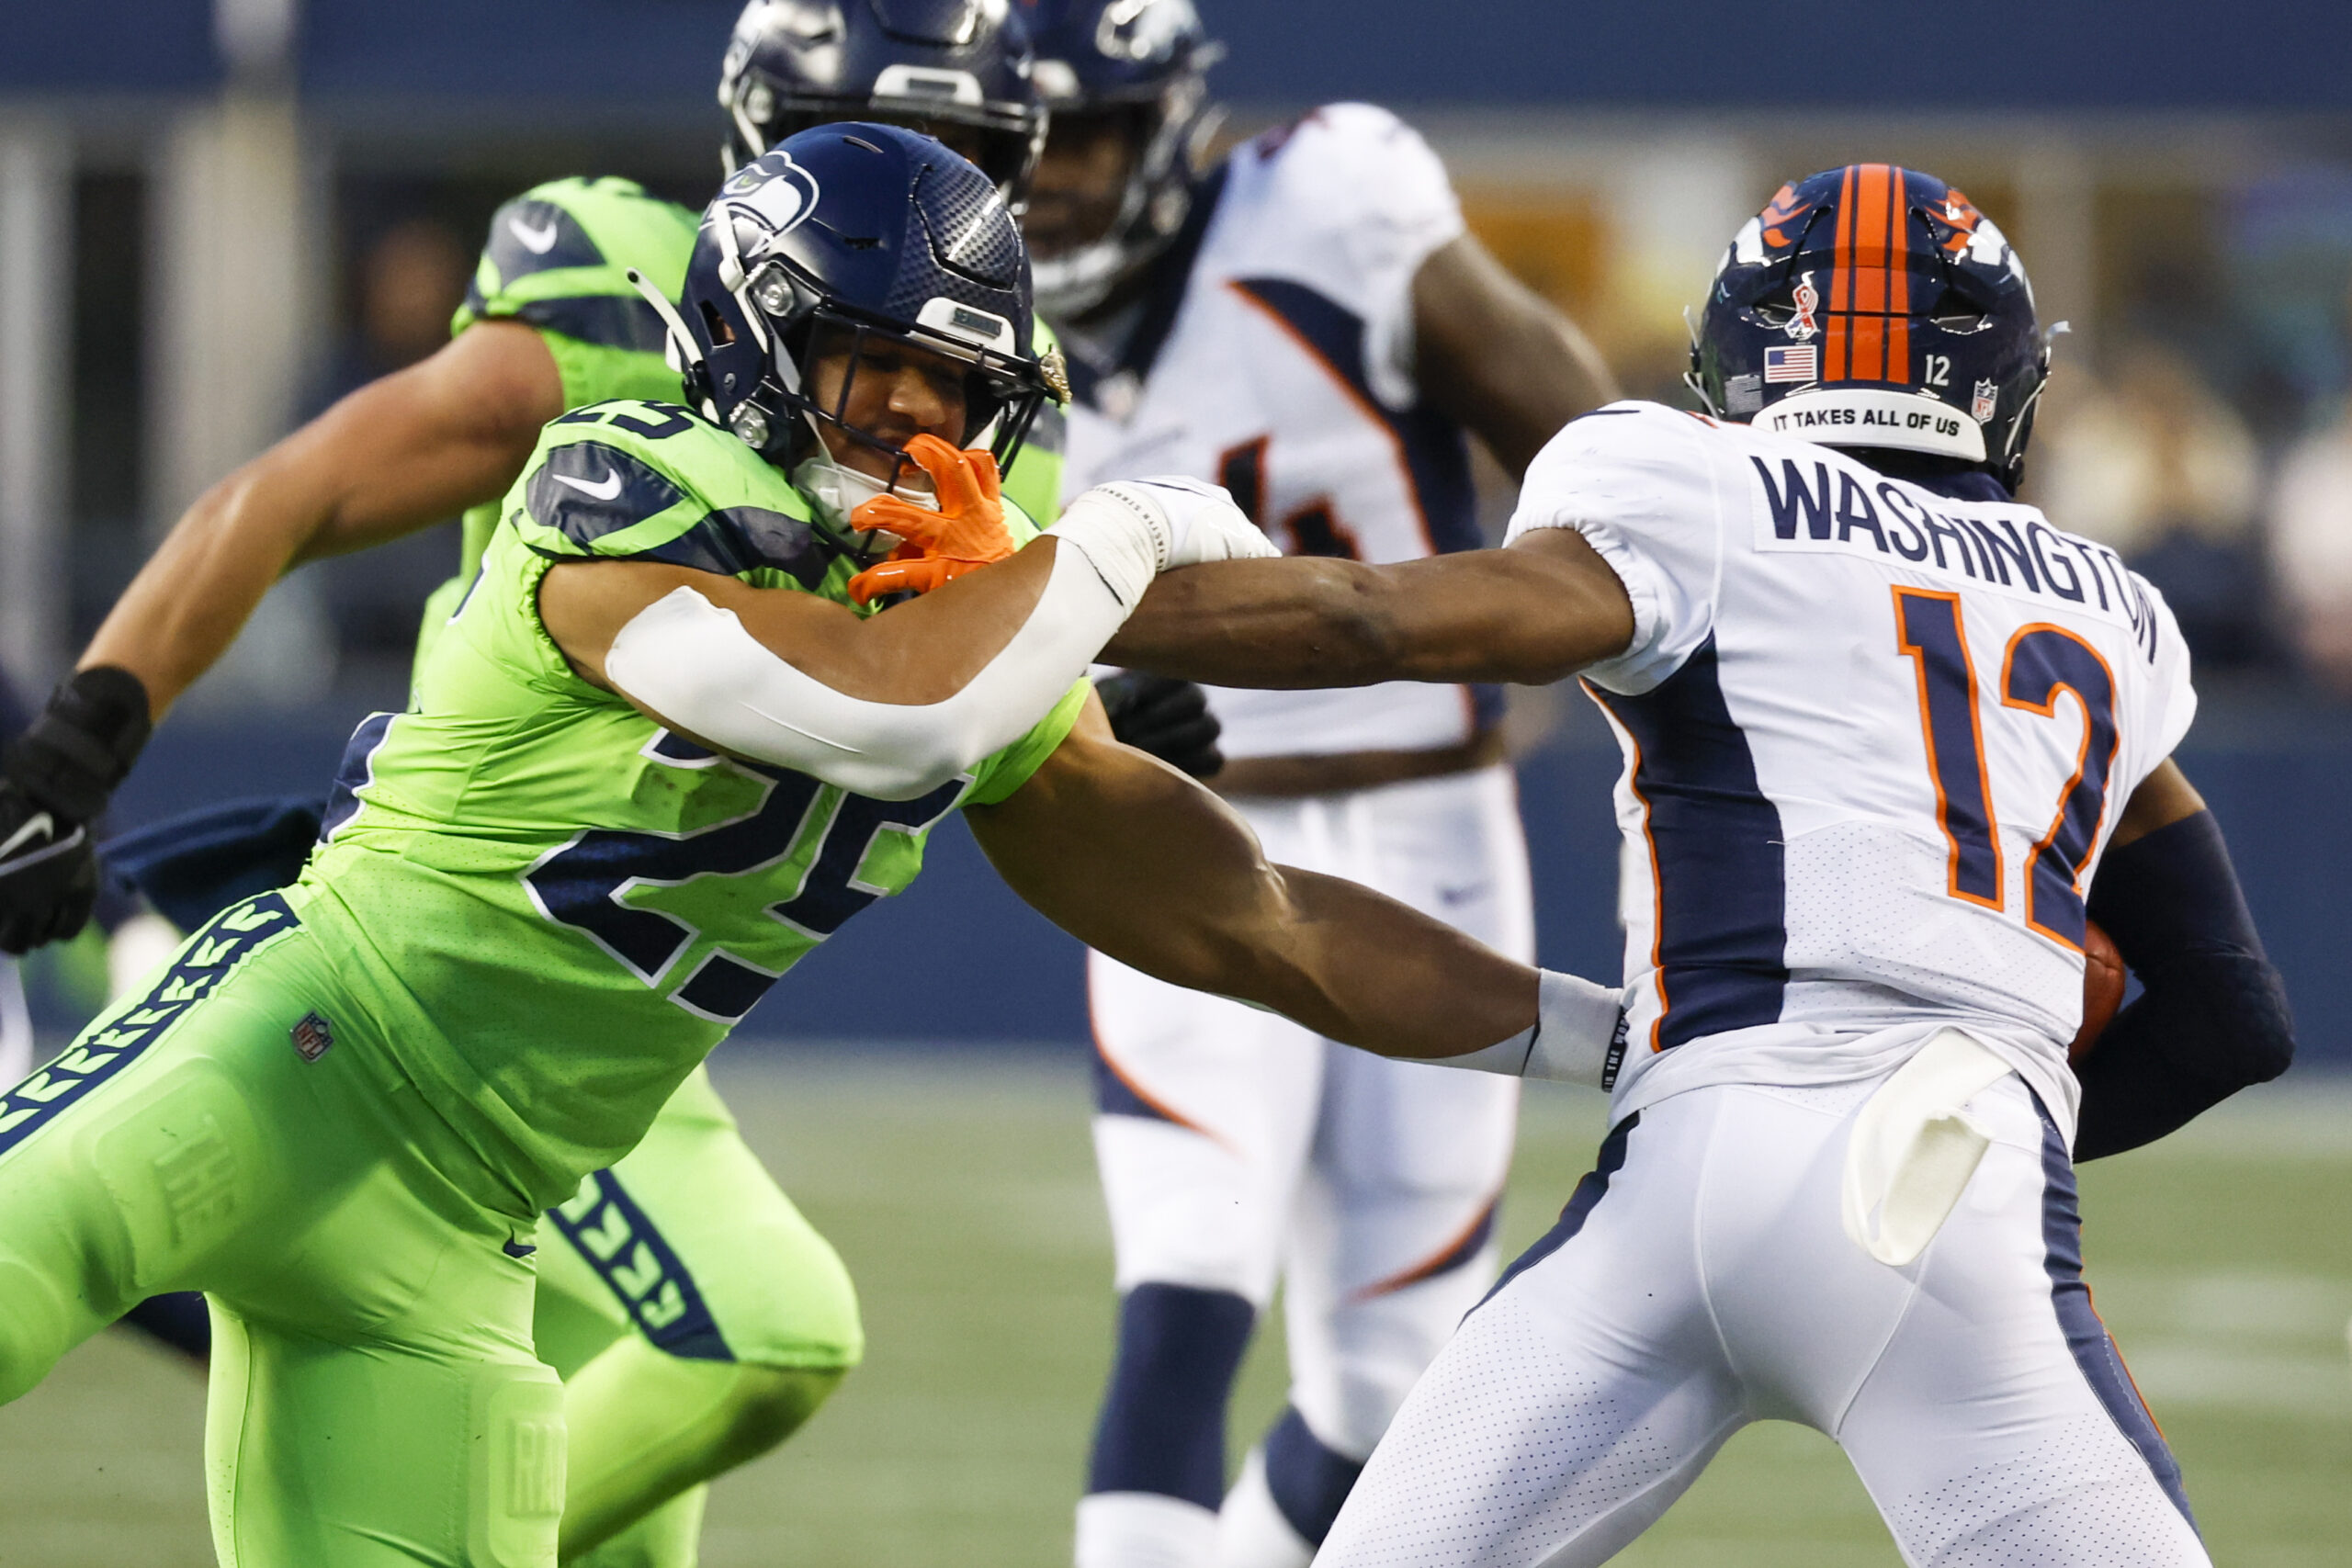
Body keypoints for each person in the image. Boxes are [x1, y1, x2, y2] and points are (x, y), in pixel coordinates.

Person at [0, 130, 1626, 1568]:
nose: (918, 414)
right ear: (758, 340)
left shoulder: (966, 641)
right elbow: (884, 714)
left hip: (468, 1230)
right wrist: (1120, 538)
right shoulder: (625, 481)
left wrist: (1623, 1039)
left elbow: (1267, 930)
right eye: (869, 358)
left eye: (958, 383)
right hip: (285, 1053)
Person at [0, 5, 1195, 1562]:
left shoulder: (984, 412)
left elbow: (992, 677)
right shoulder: (616, 294)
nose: (946, 204)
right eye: (920, 147)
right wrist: (80, 741)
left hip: (624, 1001)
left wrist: (1098, 656)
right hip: (458, 913)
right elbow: (302, 488)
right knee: (757, 1330)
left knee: (630, 1380)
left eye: (983, 160)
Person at [1099, 164, 2295, 1563]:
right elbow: (2230, 1018)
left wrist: (1070, 601)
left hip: (1676, 1181)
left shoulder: (1688, 482)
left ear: (1734, 357)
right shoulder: (2106, 609)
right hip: (1948, 1189)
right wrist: (2003, 1125)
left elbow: (1373, 622)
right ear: (2007, 383)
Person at [1009, 7, 1619, 1564]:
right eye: (1031, 133)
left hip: (1433, 819)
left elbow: (1596, 454)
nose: (1058, 175)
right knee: (1187, 1306)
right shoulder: (962, 319)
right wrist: (1072, 687)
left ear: (1171, 124)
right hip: (1184, 838)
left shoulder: (1331, 202)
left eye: (1093, 131)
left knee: (1394, 1380)